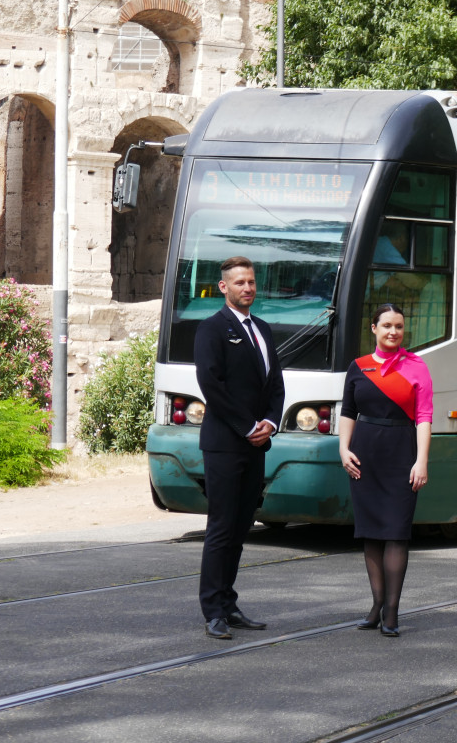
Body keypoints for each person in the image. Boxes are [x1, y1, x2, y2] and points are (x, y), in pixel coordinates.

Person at [194, 256, 286, 640]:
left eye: (250, 282)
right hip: (225, 444)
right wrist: (247, 426)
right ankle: (212, 610)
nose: (247, 288)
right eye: (239, 283)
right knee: (221, 526)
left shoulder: (262, 328)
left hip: (256, 445)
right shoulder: (212, 329)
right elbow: (211, 385)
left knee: (241, 527)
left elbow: (275, 383)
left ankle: (229, 604)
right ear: (223, 287)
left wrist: (270, 421)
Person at [339, 303, 432, 637]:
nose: (393, 332)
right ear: (373, 328)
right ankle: (377, 605)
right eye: (387, 325)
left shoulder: (417, 367)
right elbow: (348, 411)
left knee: (396, 532)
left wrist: (421, 460)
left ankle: (392, 611)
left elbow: (424, 417)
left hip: (401, 453)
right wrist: (343, 449)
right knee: (371, 533)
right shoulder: (359, 367)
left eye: (399, 327)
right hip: (365, 454)